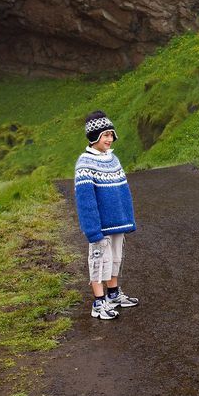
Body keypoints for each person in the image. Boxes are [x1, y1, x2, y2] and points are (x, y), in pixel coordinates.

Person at [74, 111, 139, 320]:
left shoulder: (113, 159)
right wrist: (92, 229)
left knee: (115, 259)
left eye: (111, 134)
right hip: (100, 227)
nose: (110, 139)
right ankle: (98, 302)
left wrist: (128, 219)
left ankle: (113, 294)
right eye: (105, 135)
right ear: (94, 138)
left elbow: (124, 192)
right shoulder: (85, 163)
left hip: (117, 223)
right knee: (99, 262)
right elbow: (85, 202)